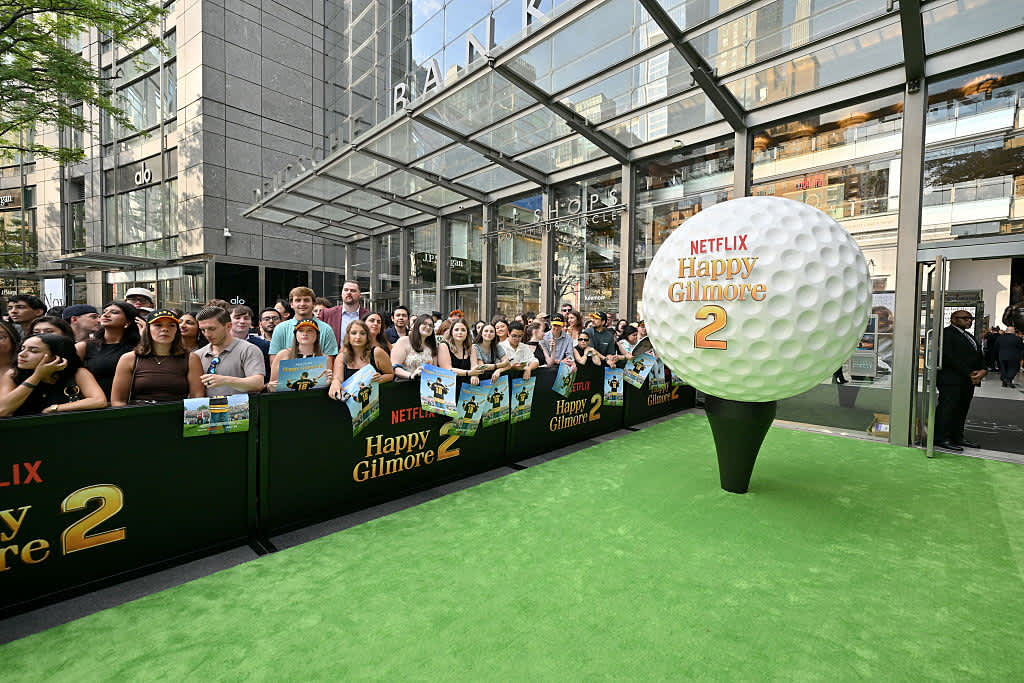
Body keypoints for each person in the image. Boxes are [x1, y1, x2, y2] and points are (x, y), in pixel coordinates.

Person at [110, 309, 204, 405]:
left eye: (171, 325)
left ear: (177, 330)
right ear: (148, 329)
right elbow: (118, 401)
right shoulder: (129, 359)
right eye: (158, 325)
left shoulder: (191, 359)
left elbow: (197, 398)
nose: (165, 329)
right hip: (138, 416)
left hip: (177, 416)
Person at [0, 334, 107, 416]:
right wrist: (37, 376)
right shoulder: (13, 374)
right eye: (22, 348)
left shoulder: (78, 373)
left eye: (33, 351)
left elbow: (99, 401)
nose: (21, 354)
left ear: (55, 356)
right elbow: (2, 410)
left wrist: (56, 408)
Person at [934, 310, 986, 451]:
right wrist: (969, 373)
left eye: (971, 319)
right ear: (954, 319)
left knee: (962, 409)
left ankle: (957, 436)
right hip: (951, 380)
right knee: (948, 408)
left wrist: (983, 370)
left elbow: (977, 355)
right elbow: (949, 357)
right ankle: (941, 438)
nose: (969, 321)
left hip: (967, 380)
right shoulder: (946, 334)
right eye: (965, 318)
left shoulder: (968, 335)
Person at [194, 307, 267, 397]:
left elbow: (258, 383)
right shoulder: (198, 354)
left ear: (228, 326)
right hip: (208, 409)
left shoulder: (248, 349)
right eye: (203, 330)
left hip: (241, 409)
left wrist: (225, 380)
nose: (207, 334)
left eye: (212, 329)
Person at [76, 302, 141, 399]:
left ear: (127, 322)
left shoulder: (137, 348)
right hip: (92, 406)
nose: (106, 315)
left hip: (128, 405)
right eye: (104, 312)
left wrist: (144, 336)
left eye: (114, 312)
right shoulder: (84, 346)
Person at [269, 287, 339, 363]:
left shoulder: (326, 329)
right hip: (288, 374)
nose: (302, 304)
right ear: (291, 304)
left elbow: (330, 360)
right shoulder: (280, 328)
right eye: (298, 300)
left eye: (306, 300)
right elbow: (274, 360)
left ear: (313, 304)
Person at [328, 319, 393, 398]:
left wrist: (381, 378)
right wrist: (335, 383)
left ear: (367, 336)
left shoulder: (377, 352)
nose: (358, 337)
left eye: (362, 333)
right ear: (348, 336)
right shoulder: (341, 357)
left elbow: (391, 374)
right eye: (354, 333)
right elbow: (337, 379)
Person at [269, 319, 328, 391]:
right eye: (301, 330)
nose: (305, 333)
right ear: (295, 334)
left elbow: (326, 387)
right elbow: (271, 386)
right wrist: (272, 386)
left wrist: (328, 382)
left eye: (310, 330)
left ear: (317, 335)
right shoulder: (283, 355)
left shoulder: (324, 357)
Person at [321, 281, 369, 345]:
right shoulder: (327, 314)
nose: (349, 293)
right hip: (333, 354)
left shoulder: (368, 316)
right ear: (342, 293)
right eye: (346, 290)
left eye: (353, 291)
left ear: (360, 295)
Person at [390, 314, 437, 380]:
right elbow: (394, 368)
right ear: (417, 325)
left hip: (426, 385)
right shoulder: (404, 341)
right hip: (406, 383)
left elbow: (435, 370)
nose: (428, 327)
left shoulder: (432, 346)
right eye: (425, 324)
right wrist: (411, 375)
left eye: (431, 325)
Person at [230, 305, 271, 377]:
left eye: (246, 318)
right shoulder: (220, 344)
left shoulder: (264, 345)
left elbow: (267, 373)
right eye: (237, 318)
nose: (242, 321)